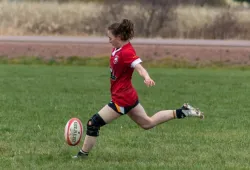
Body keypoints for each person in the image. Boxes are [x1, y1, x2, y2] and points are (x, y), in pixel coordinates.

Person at [73, 19, 204, 159]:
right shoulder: (117, 49)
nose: (108, 41)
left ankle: (82, 155)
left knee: (93, 123)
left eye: (110, 38)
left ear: (118, 37)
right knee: (148, 123)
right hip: (128, 96)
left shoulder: (127, 52)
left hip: (122, 99)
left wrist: (146, 77)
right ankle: (183, 111)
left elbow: (139, 67)